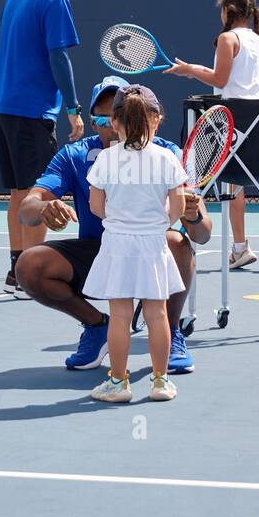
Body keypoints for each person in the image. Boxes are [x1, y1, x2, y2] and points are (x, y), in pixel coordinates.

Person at [15, 76, 213, 375]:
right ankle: (96, 327)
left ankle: (171, 334)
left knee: (177, 242)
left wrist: (193, 214)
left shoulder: (167, 153)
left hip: (150, 249)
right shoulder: (76, 155)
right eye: (102, 117)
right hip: (102, 252)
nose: (111, 124)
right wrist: (44, 207)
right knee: (30, 266)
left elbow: (203, 233)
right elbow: (26, 209)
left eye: (117, 115)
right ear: (94, 124)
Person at [163, 0, 259, 271]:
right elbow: (232, 76)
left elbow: (221, 80)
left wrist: (188, 70)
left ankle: (240, 247)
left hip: (234, 116)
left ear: (228, 11)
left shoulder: (227, 38)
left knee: (232, 178)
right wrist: (193, 66)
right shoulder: (256, 40)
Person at [0, 0, 85, 298]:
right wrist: (74, 109)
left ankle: (18, 269)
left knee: (19, 190)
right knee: (41, 192)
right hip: (31, 111)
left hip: (1, 107)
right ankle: (32, 273)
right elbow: (59, 56)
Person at [82, 85, 190, 402]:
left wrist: (118, 218)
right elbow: (179, 207)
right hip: (154, 243)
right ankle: (160, 382)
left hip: (117, 244)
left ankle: (118, 383)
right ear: (156, 120)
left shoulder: (104, 159)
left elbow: (95, 206)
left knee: (119, 315)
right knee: (157, 314)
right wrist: (159, 222)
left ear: (115, 122)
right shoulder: (168, 158)